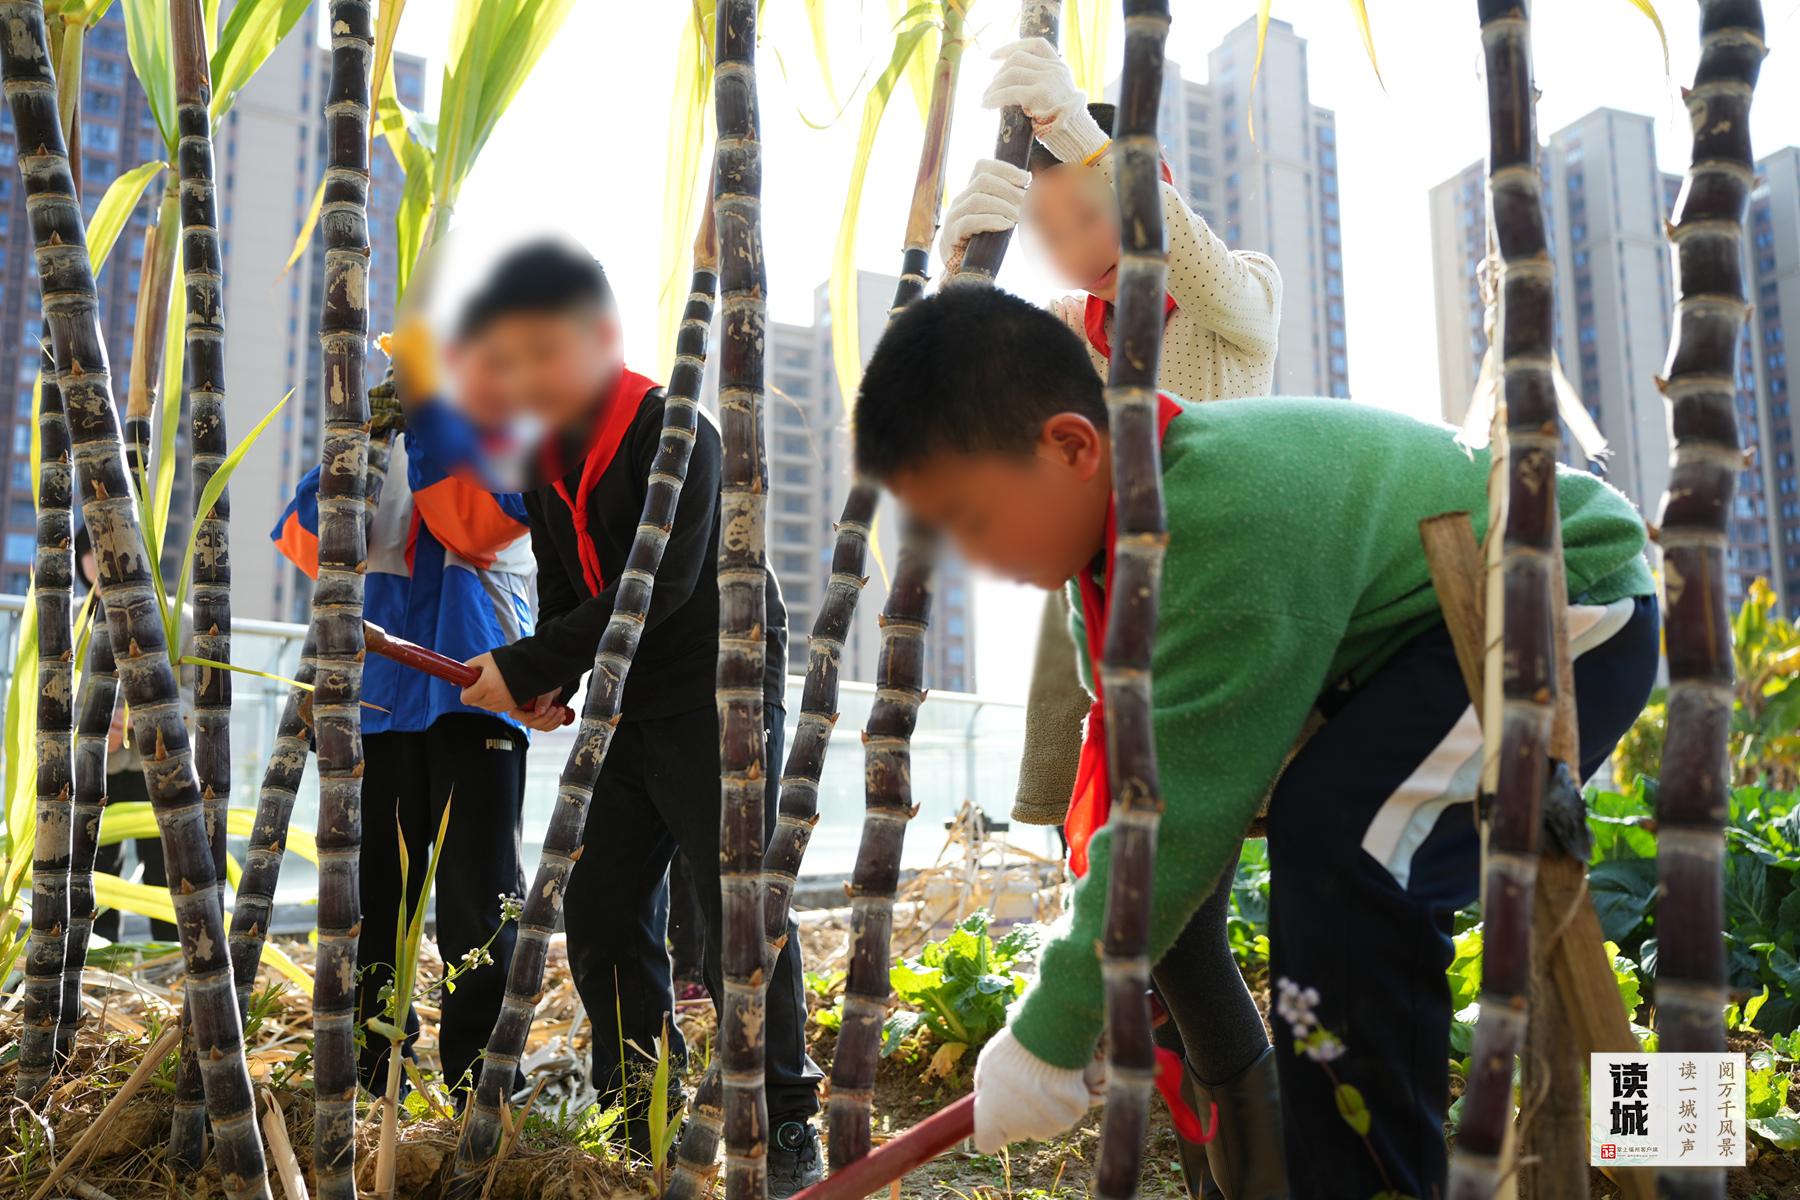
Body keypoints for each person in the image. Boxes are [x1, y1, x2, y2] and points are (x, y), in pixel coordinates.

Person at [850, 286, 1660, 1200]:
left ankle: (1374, 1188)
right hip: (1436, 631)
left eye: (972, 519)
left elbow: (1172, 816)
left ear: (1072, 447)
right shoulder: (1112, 562)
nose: (971, 558)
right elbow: (1132, 792)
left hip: (1563, 597)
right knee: (1339, 838)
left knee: (1350, 846)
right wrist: (1090, 1003)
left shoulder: (1208, 517)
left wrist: (1051, 1030)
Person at [937, 36, 1285, 1197]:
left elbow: (1192, 263)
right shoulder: (1064, 334)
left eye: (1084, 206)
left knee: (1192, 939)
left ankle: (1274, 1172)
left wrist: (1083, 140)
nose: (1063, 238)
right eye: (1042, 224)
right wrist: (957, 276)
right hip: (1112, 670)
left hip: (1220, 650)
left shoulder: (1234, 292)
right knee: (1170, 956)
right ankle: (1237, 1176)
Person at [452, 240, 824, 1193]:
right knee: (602, 904)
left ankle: (787, 1115)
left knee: (739, 902)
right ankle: (638, 1102)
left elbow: (659, 587)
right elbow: (566, 587)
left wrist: (527, 663)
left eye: (547, 351)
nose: (531, 376)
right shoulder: (544, 458)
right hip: (626, 699)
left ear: (602, 338)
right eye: (514, 359)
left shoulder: (676, 430)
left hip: (716, 681)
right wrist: (545, 684)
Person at [271, 334, 533, 1105]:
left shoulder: (503, 438)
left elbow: (478, 524)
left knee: (479, 899)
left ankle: (482, 1088)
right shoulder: (371, 447)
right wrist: (359, 440)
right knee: (375, 899)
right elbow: (307, 541)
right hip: (379, 700)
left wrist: (431, 424)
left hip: (472, 690)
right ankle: (371, 1071)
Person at [74, 526, 177, 945]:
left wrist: (138, 718)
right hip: (96, 766)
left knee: (167, 867)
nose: (100, 561)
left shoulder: (174, 617)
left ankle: (169, 957)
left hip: (160, 764)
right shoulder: (69, 619)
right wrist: (94, 727)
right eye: (91, 552)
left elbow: (198, 696)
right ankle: (101, 957)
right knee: (98, 869)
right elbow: (50, 701)